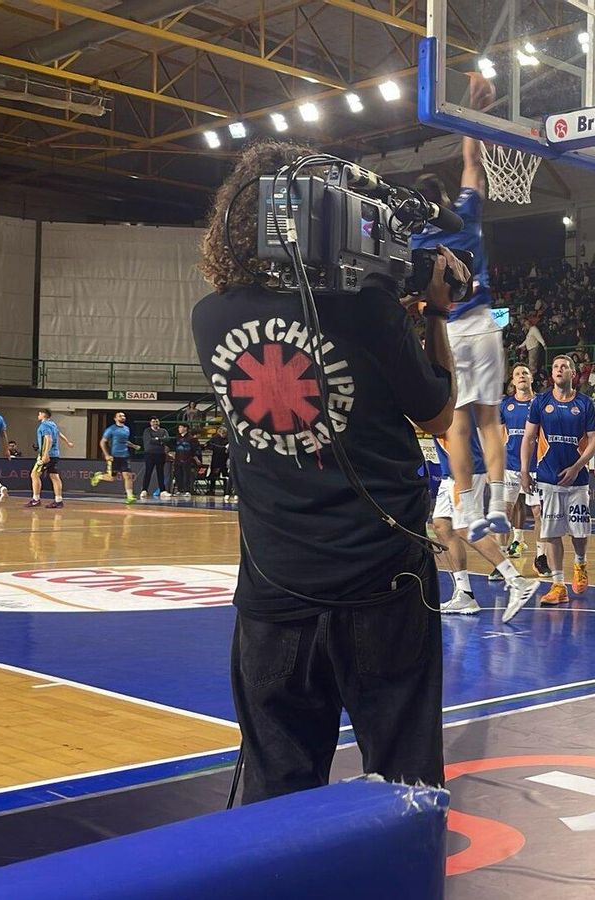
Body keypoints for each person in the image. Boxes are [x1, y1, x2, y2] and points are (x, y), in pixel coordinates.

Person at [190, 139, 479, 802]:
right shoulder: (366, 309)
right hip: (382, 585)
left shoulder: (209, 319)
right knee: (404, 786)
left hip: (272, 592)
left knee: (274, 793)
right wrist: (431, 311)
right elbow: (437, 413)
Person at [412, 71, 513, 553]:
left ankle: (468, 508)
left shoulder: (414, 241)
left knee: (457, 425)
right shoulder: (467, 213)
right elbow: (473, 158)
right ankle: (497, 505)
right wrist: (478, 110)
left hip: (450, 332)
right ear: (446, 199)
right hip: (485, 324)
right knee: (490, 421)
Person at [520, 355, 595, 610]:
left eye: (564, 366)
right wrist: (524, 470)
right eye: (555, 366)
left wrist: (577, 467)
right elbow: (529, 438)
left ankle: (580, 563)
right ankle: (558, 585)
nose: (559, 370)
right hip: (548, 477)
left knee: (578, 530)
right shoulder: (540, 402)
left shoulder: (585, 404)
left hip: (577, 480)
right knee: (551, 531)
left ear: (573, 373)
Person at [497, 364, 544, 576]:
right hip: (510, 466)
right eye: (517, 374)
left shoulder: (542, 403)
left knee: (539, 513)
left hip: (536, 467)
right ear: (513, 382)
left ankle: (541, 558)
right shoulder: (505, 405)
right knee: (504, 512)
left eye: (525, 373)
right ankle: (501, 562)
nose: (521, 376)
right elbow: (499, 438)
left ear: (531, 378)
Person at [430, 434, 481, 615]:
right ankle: (464, 593)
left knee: (465, 529)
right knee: (441, 526)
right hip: (449, 473)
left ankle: (515, 579)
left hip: (462, 470)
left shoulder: (456, 407)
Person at [26, 408, 72, 508]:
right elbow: (59, 434)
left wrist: (45, 454)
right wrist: (67, 442)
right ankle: (58, 500)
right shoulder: (53, 424)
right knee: (55, 477)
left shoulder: (44, 425)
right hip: (55, 454)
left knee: (34, 475)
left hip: (47, 454)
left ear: (43, 415)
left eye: (39, 414)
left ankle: (36, 499)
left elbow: (48, 439)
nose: (38, 415)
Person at [91, 412, 138, 504]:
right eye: (120, 416)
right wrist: (107, 455)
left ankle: (129, 496)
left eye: (124, 416)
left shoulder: (126, 429)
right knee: (112, 478)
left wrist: (133, 446)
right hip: (114, 456)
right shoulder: (111, 429)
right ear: (115, 418)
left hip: (125, 456)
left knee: (127, 476)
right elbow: (102, 442)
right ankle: (99, 476)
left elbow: (124, 441)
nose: (122, 417)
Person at [141, 417, 170, 499]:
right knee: (148, 472)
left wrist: (158, 439)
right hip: (149, 454)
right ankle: (144, 489)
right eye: (153, 422)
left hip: (160, 454)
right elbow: (150, 440)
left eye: (157, 421)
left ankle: (162, 490)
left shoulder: (164, 430)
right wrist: (160, 440)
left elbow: (167, 439)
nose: (155, 423)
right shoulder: (147, 430)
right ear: (150, 423)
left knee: (160, 472)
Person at [205, 426, 233, 500]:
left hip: (225, 460)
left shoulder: (228, 439)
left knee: (226, 476)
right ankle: (211, 490)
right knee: (213, 475)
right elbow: (208, 445)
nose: (224, 434)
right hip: (216, 460)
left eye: (225, 433)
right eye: (223, 433)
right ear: (219, 432)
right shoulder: (214, 439)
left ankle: (226, 491)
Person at [169, 424, 198, 498]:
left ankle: (187, 490)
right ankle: (180, 490)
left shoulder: (191, 438)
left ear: (185, 428)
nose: (179, 429)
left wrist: (194, 458)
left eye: (181, 427)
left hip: (187, 459)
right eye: (179, 427)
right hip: (178, 459)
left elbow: (193, 450)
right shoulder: (178, 437)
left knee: (186, 475)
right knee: (178, 475)